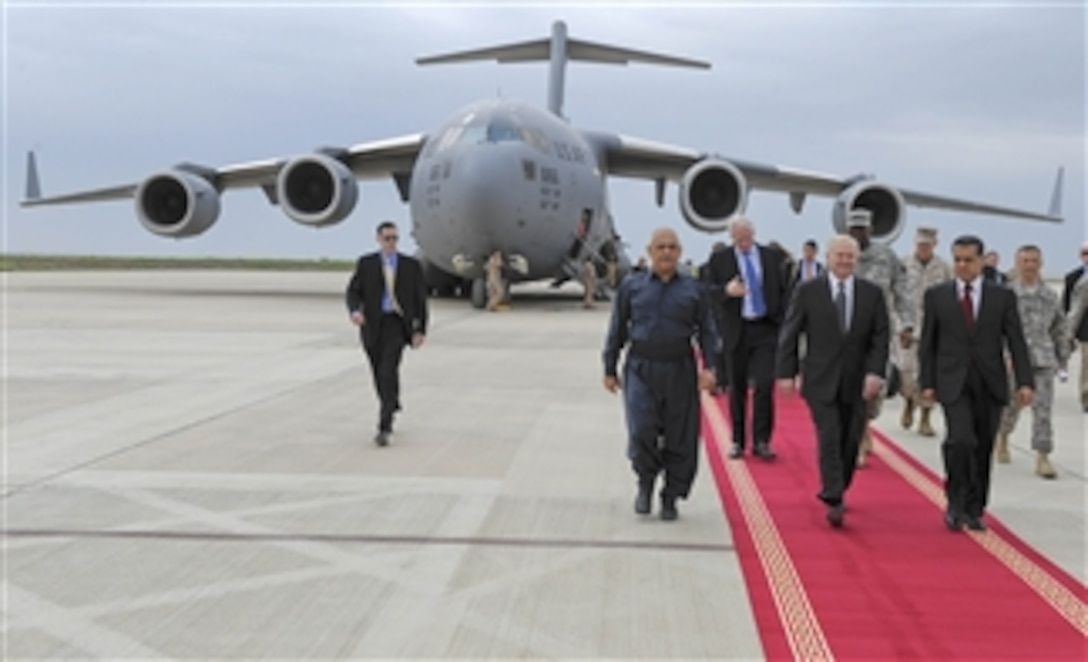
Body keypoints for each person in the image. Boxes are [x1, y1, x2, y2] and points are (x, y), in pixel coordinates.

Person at [602, 228, 718, 521]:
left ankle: (671, 495)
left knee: (680, 437)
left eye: (672, 247)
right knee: (642, 430)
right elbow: (617, 328)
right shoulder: (632, 286)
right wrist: (609, 367)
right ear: (650, 251)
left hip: (680, 366)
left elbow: (708, 331)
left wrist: (710, 368)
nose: (666, 252)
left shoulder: (694, 288)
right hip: (641, 366)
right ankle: (645, 482)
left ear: (679, 252)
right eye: (661, 247)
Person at [919, 235, 1033, 532]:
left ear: (981, 261)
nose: (962, 266)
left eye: (968, 260)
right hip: (952, 381)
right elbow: (928, 344)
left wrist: (1024, 381)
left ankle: (975, 507)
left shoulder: (1002, 297)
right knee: (960, 440)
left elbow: (1016, 341)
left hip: (990, 381)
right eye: (957, 259)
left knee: (982, 445)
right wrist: (927, 382)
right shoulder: (938, 296)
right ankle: (955, 502)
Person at [777, 235, 889, 528]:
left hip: (857, 381)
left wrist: (875, 373)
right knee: (829, 435)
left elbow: (880, 339)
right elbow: (791, 333)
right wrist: (786, 373)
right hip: (820, 378)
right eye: (839, 255)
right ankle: (834, 494)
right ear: (828, 257)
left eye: (850, 256)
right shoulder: (808, 291)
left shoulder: (871, 294)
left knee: (850, 439)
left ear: (857, 260)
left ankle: (841, 484)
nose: (844, 261)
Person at [705, 217, 790, 460]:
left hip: (765, 328)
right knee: (737, 387)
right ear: (732, 237)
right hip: (737, 329)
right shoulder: (720, 260)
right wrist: (726, 291)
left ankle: (762, 440)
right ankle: (738, 441)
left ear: (753, 234)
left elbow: (784, 291)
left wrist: (781, 320)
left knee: (764, 385)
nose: (743, 242)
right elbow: (707, 292)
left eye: (747, 237)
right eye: (738, 238)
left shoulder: (771, 257)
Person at [345, 221, 429, 447]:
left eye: (395, 238)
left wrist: (420, 330)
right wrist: (354, 312)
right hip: (372, 325)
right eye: (387, 238)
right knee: (377, 371)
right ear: (379, 240)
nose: (392, 243)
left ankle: (384, 425)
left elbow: (421, 300)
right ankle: (391, 401)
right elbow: (353, 291)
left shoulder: (411, 266)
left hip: (397, 325)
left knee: (387, 370)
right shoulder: (367, 264)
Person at [848, 210, 914, 466]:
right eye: (853, 229)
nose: (857, 234)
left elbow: (902, 291)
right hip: (847, 333)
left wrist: (907, 325)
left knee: (875, 391)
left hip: (879, 333)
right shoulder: (842, 254)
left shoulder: (886, 257)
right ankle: (858, 438)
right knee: (852, 388)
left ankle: (865, 424)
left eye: (862, 229)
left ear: (871, 229)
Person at [996, 246, 1069, 477]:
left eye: (1034, 261)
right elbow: (995, 329)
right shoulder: (1006, 294)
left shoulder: (1049, 296)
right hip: (1014, 360)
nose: (1030, 265)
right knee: (1010, 406)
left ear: (1041, 263)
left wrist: (1062, 356)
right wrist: (1001, 356)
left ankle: (1043, 456)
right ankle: (1003, 438)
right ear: (1017, 263)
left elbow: (1060, 327)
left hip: (1043, 359)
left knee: (1043, 410)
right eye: (1025, 260)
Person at [900, 227, 953, 437]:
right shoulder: (903, 265)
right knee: (907, 373)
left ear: (934, 245)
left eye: (927, 245)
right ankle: (909, 402)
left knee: (930, 375)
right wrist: (900, 326)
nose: (923, 248)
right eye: (920, 244)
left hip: (934, 328)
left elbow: (951, 298)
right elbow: (897, 296)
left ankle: (925, 417)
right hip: (909, 327)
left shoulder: (943, 268)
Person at [1060, 242, 1088, 412]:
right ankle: (1086, 396)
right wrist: (1067, 332)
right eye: (1085, 253)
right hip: (1085, 329)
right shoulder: (1073, 278)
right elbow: (1068, 306)